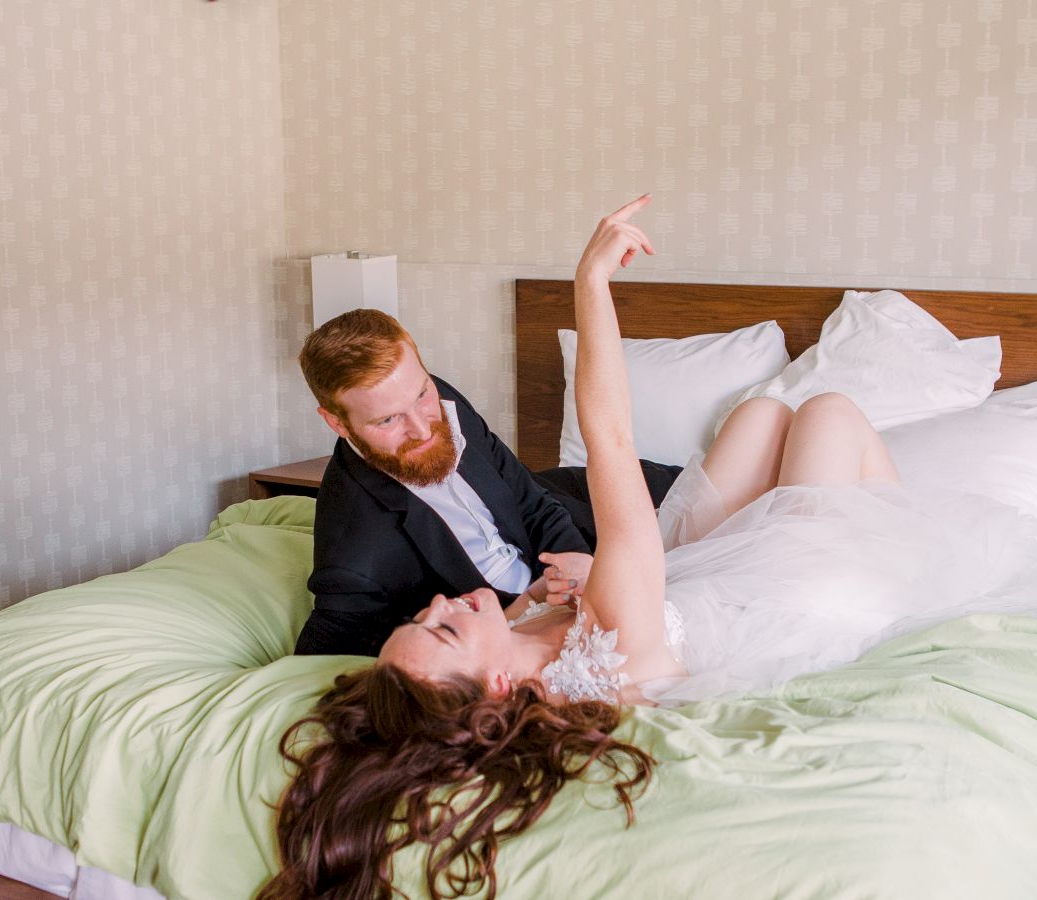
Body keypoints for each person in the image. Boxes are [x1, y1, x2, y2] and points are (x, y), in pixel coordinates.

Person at [259, 197, 1037, 899]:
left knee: (765, 417)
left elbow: (538, 544)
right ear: (494, 680)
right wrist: (591, 282)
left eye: (421, 619)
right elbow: (611, 436)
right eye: (443, 627)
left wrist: (552, 592)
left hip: (679, 590)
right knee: (828, 412)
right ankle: (891, 526)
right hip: (805, 590)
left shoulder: (525, 659)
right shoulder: (609, 636)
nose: (434, 605)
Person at [293, 308, 680, 657]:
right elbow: (325, 660)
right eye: (388, 420)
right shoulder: (354, 554)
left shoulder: (438, 397)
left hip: (574, 512)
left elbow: (531, 501)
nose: (422, 427)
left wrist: (583, 575)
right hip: (538, 627)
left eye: (422, 394)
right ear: (337, 423)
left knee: (699, 497)